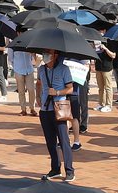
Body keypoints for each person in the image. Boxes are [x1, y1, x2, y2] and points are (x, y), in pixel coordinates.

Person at [37, 48, 75, 181]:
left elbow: (70, 88)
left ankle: (69, 170)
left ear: (55, 55)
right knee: (50, 141)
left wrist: (58, 93)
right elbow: (39, 83)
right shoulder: (41, 69)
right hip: (45, 109)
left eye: (48, 53)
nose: (45, 55)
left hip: (59, 108)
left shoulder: (64, 69)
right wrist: (38, 96)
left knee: (64, 140)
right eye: (44, 53)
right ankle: (55, 168)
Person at [11, 45, 38, 116]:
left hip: (29, 69)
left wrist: (32, 54)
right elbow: (10, 59)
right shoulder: (13, 45)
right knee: (21, 91)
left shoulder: (29, 44)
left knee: (31, 89)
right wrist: (15, 68)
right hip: (18, 69)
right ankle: (23, 109)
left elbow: (34, 58)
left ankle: (32, 108)